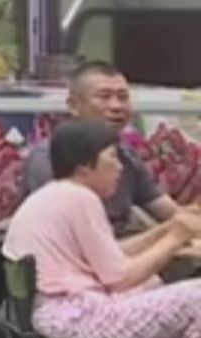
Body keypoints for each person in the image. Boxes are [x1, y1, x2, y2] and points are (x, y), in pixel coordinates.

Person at [4, 119, 201, 338]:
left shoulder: (54, 196)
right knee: (196, 297)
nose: (120, 168)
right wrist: (176, 238)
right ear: (85, 165)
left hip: (49, 318)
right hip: (76, 321)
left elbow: (110, 254)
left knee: (154, 289)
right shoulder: (80, 198)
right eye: (112, 158)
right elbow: (119, 277)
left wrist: (164, 231)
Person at [24, 62, 178, 234]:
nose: (117, 106)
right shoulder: (51, 157)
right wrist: (171, 234)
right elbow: (76, 241)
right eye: (104, 97)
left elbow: (169, 211)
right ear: (74, 106)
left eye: (123, 97)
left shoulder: (126, 154)